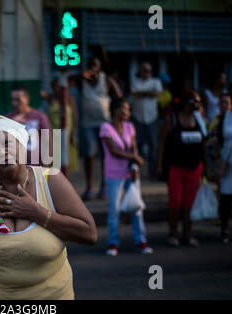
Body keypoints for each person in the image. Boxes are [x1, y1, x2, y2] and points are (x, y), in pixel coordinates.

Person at [0, 115, 97, 299]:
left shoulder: (50, 180)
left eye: (7, 143)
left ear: (22, 146)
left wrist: (37, 213)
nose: (1, 151)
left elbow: (89, 234)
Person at [100, 98, 153, 256]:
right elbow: (113, 151)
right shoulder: (106, 127)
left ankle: (140, 241)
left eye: (129, 110)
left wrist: (135, 165)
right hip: (113, 174)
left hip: (130, 172)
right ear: (116, 110)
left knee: (136, 207)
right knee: (114, 210)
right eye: (126, 109)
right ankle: (113, 243)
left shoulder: (130, 127)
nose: (128, 113)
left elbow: (134, 148)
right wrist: (133, 157)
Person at [157, 90, 207, 247]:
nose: (198, 105)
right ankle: (173, 234)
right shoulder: (171, 120)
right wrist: (159, 165)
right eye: (195, 102)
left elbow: (204, 144)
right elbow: (162, 144)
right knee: (175, 201)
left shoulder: (200, 120)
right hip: (176, 168)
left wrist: (206, 166)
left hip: (195, 168)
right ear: (186, 103)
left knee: (189, 203)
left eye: (199, 102)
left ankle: (188, 234)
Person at [79, 57, 122, 200]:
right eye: (90, 65)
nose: (93, 68)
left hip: (104, 123)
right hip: (88, 123)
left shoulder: (106, 79)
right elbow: (63, 81)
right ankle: (89, 187)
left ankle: (103, 187)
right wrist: (82, 75)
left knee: (105, 155)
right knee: (89, 155)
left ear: (100, 67)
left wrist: (117, 116)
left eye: (95, 66)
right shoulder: (82, 79)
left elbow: (119, 95)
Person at [6, 84, 52, 166]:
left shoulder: (39, 116)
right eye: (13, 100)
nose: (14, 103)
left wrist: (46, 165)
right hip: (15, 169)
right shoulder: (8, 119)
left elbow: (48, 142)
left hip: (37, 167)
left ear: (27, 99)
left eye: (18, 100)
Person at [131, 62, 163, 180]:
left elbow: (158, 93)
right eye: (144, 70)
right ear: (140, 71)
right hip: (138, 118)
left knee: (153, 147)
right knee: (136, 147)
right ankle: (135, 173)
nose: (146, 73)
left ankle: (153, 173)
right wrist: (149, 93)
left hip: (152, 118)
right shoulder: (136, 81)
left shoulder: (156, 82)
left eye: (148, 70)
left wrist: (143, 93)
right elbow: (135, 94)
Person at [209, 93, 232, 243]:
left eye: (227, 102)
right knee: (225, 197)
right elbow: (213, 140)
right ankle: (224, 229)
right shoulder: (220, 120)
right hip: (226, 163)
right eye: (221, 102)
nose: (224, 105)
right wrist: (216, 160)